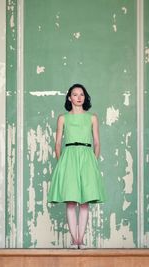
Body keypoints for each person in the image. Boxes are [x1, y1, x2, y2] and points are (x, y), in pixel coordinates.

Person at [48, 83, 105, 249]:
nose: (79, 97)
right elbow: (57, 143)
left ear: (85, 97)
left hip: (87, 156)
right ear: (69, 97)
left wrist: (93, 160)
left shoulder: (92, 117)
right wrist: (61, 163)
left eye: (82, 94)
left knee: (85, 202)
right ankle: (75, 240)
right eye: (75, 94)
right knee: (71, 202)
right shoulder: (63, 118)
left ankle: (82, 239)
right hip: (69, 156)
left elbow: (97, 142)